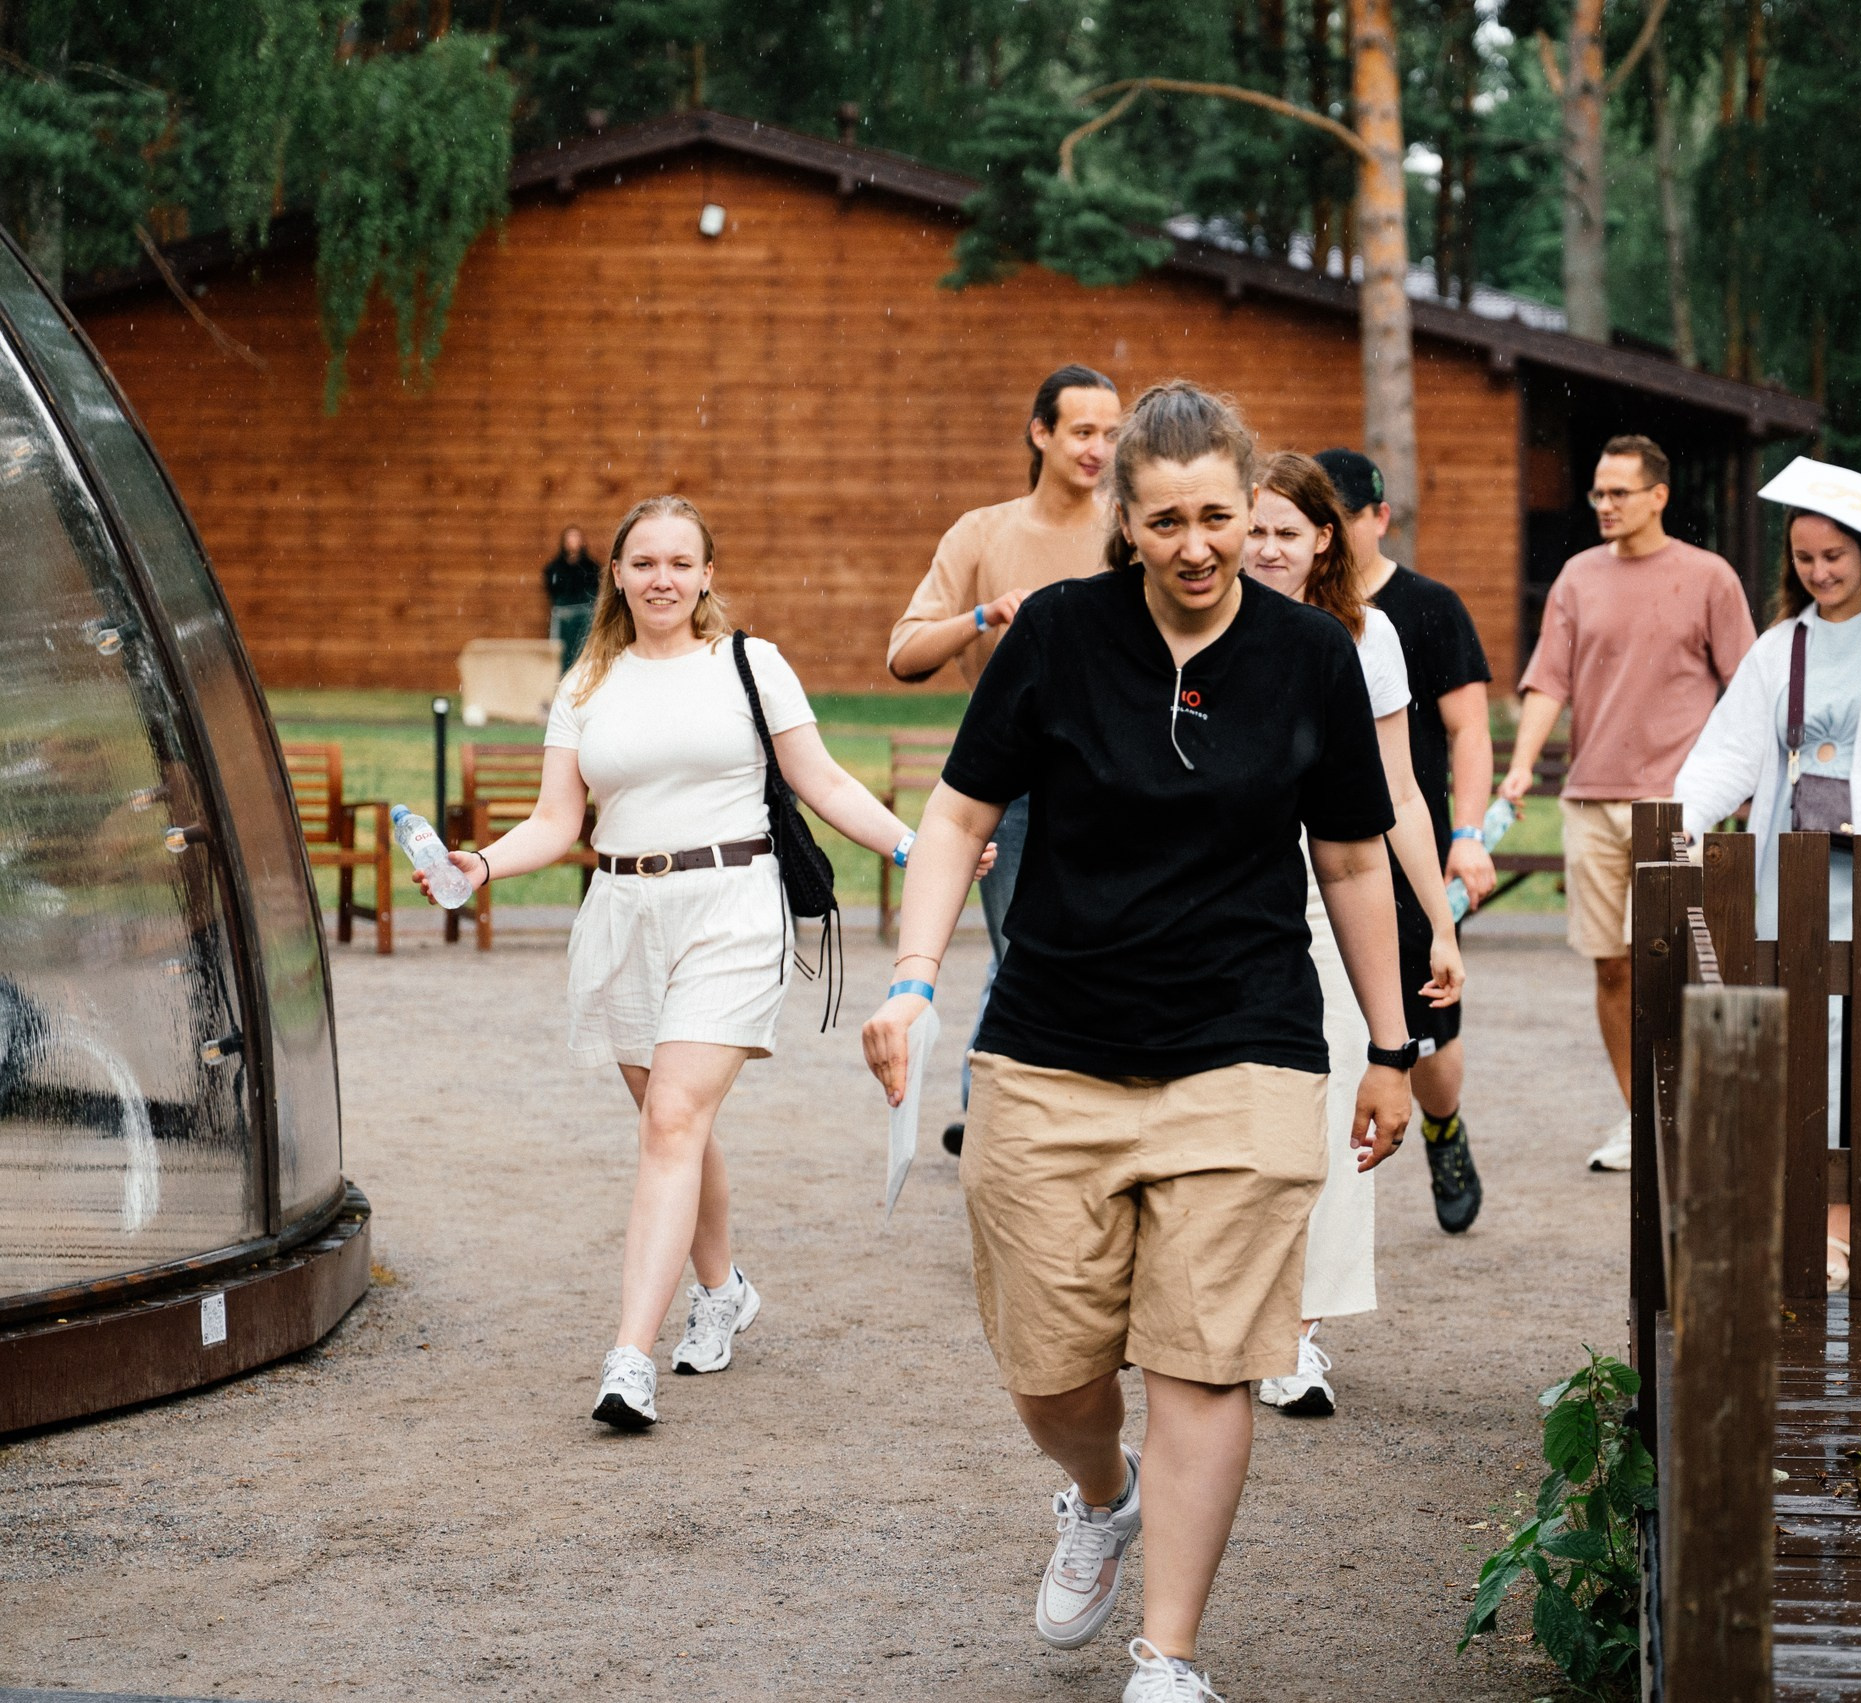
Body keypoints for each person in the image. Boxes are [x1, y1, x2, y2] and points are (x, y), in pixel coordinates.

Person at [858, 383, 1415, 1703]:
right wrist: (913, 979)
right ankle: (1096, 1492)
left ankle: (1167, 1654)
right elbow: (954, 820)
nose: (1197, 543)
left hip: (1247, 1044)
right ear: (1127, 517)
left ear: (1250, 507)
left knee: (1206, 1354)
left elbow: (1346, 860)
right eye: (1166, 519)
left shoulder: (1309, 657)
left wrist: (1393, 1040)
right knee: (1051, 1365)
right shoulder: (1058, 635)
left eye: (1219, 514)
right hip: (1052, 1051)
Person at [419, 496, 979, 1432]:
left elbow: (822, 778)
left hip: (732, 907)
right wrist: (477, 864)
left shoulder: (750, 665)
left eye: (682, 562)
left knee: (674, 1115)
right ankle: (722, 1288)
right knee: (670, 1122)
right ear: (619, 575)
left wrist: (919, 846)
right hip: (625, 913)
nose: (664, 578)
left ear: (708, 573)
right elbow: (561, 821)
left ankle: (627, 1358)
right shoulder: (587, 681)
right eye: (644, 563)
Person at [1670, 504, 1861, 1290]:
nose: (1820, 573)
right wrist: (1682, 819)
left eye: (1835, 555)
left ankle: (1858, 1219)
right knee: (1806, 1028)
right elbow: (1731, 748)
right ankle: (1813, 1215)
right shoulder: (1781, 644)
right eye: (1804, 558)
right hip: (1799, 856)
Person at [1242, 452, 1463, 1418]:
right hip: (1220, 889)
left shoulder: (1365, 639)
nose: (1267, 548)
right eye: (1254, 529)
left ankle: (1295, 1328)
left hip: (1333, 892)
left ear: (1325, 539)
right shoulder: (1196, 624)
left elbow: (1399, 792)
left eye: (1288, 532)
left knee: (1333, 1104)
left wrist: (1439, 921)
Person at [1499, 434, 1755, 1173]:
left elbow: (1747, 691)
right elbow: (1548, 680)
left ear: (1658, 496)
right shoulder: (1577, 577)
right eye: (1598, 494)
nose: (1605, 506)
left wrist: (1740, 787)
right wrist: (1519, 770)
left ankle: (1698, 1114)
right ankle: (1642, 1119)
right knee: (1612, 968)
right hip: (1589, 800)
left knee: (1677, 966)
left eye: (1619, 493)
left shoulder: (1709, 578)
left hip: (1677, 805)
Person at [888, 364, 1121, 1154]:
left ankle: (1045, 1109)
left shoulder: (1128, 530)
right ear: (1041, 432)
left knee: (1102, 946)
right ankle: (992, 1114)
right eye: (1083, 431)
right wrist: (984, 616)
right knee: (1024, 949)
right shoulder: (983, 534)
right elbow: (905, 652)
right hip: (1013, 793)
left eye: (1110, 434)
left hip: (1119, 785)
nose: (1099, 448)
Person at [1314, 446, 1494, 1233]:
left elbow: (1470, 732)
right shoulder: (1281, 612)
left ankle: (1443, 1125)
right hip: (1325, 848)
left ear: (1375, 518)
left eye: (1341, 519)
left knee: (1431, 1041)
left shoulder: (1426, 608)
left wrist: (1469, 834)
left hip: (1405, 839)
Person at [542, 524, 601, 676]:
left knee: (583, 651)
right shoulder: (555, 569)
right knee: (562, 654)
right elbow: (554, 590)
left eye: (576, 538)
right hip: (563, 616)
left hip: (585, 615)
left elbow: (594, 589)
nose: (572, 542)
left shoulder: (591, 568)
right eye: (570, 538)